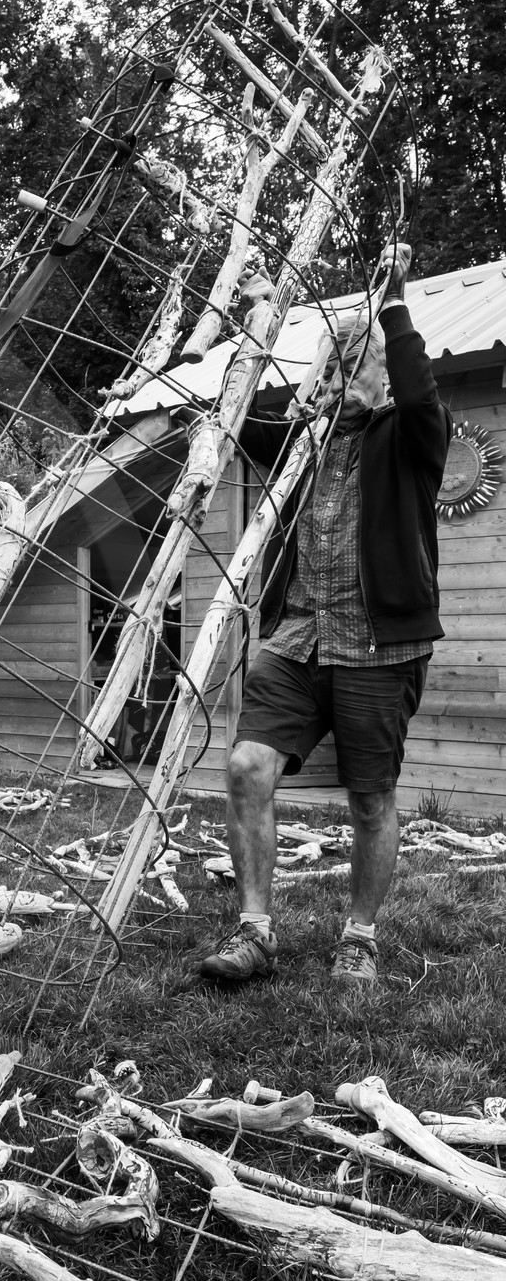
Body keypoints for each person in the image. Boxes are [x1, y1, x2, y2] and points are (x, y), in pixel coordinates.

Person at [193, 242, 448, 988]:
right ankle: (255, 931)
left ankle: (360, 935)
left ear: (381, 375)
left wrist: (392, 304)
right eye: (329, 368)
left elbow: (416, 386)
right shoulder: (302, 449)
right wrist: (253, 323)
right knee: (245, 767)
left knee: (370, 799)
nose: (337, 379)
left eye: (351, 366)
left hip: (379, 648)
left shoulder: (409, 437)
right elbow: (235, 415)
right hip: (298, 640)